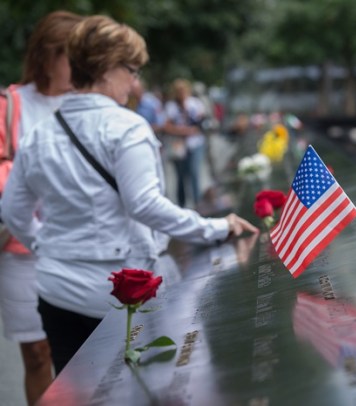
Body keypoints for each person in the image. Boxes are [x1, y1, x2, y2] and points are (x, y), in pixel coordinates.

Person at [1, 15, 258, 375]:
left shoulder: (39, 135)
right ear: (106, 69)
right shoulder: (127, 128)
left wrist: (45, 246)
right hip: (115, 292)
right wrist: (215, 227)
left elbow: (13, 211)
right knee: (137, 385)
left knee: (73, 389)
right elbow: (145, 205)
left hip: (55, 290)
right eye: (132, 69)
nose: (136, 82)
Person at [0, 10, 83, 405]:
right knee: (37, 355)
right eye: (72, 56)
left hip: (80, 245)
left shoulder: (88, 105)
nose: (80, 66)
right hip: (22, 248)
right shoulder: (11, 104)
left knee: (81, 355)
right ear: (46, 56)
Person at [163, 79, 207, 207]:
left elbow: (202, 122)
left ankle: (198, 204)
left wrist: (193, 129)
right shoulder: (171, 106)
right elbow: (167, 126)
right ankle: (181, 205)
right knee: (181, 176)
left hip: (195, 143)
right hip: (179, 146)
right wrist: (182, 131)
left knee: (194, 172)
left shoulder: (195, 104)